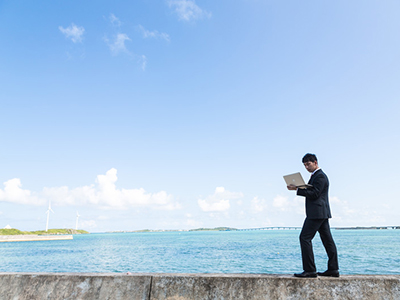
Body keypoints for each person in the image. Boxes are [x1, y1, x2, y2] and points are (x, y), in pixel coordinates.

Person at [287, 153, 339, 278]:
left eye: (308, 164)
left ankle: (310, 270)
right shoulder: (316, 176)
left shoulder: (320, 176)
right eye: (304, 165)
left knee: (304, 238)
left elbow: (315, 193)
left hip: (316, 213)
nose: (306, 167)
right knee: (328, 241)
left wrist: (297, 190)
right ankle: (333, 269)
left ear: (315, 162)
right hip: (321, 213)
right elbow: (314, 191)